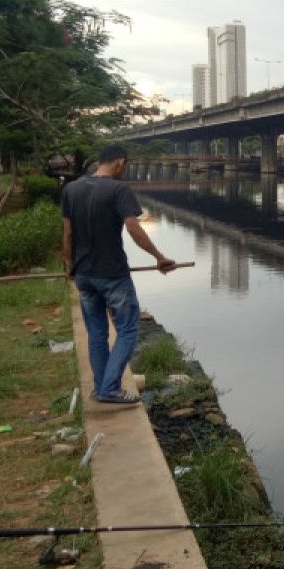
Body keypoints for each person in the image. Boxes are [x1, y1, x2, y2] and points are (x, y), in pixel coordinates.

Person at [61, 143, 175, 404]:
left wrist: (70, 264)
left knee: (97, 332)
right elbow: (134, 228)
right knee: (127, 329)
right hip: (112, 274)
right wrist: (159, 258)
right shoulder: (118, 189)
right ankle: (109, 389)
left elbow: (67, 233)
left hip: (84, 274)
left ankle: (102, 387)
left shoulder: (72, 188)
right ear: (120, 162)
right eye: (127, 166)